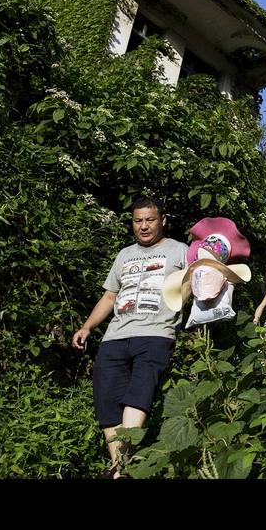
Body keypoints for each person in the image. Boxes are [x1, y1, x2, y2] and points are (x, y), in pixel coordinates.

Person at [72, 196, 187, 478]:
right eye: (138, 221)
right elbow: (110, 295)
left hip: (156, 333)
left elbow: (199, 282)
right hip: (115, 336)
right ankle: (118, 469)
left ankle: (120, 466)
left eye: (150, 220)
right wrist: (87, 327)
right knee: (107, 400)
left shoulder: (180, 251)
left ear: (163, 221)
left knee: (139, 392)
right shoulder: (124, 255)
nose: (144, 226)